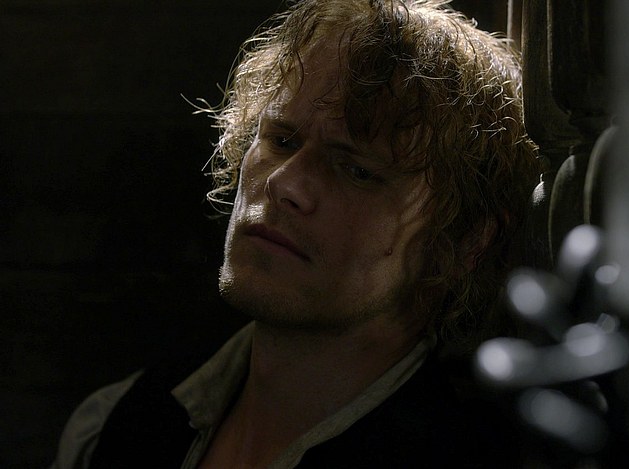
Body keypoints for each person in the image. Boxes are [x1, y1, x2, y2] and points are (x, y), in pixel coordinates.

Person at [51, 0, 540, 467]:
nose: (284, 184)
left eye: (358, 171)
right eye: (281, 140)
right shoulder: (118, 423)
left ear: (467, 240)